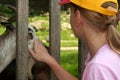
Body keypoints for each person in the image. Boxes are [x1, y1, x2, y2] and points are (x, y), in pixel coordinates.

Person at [28, 0, 120, 80]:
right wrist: (50, 60)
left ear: (78, 16)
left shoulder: (98, 67)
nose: (70, 18)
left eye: (70, 12)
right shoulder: (108, 53)